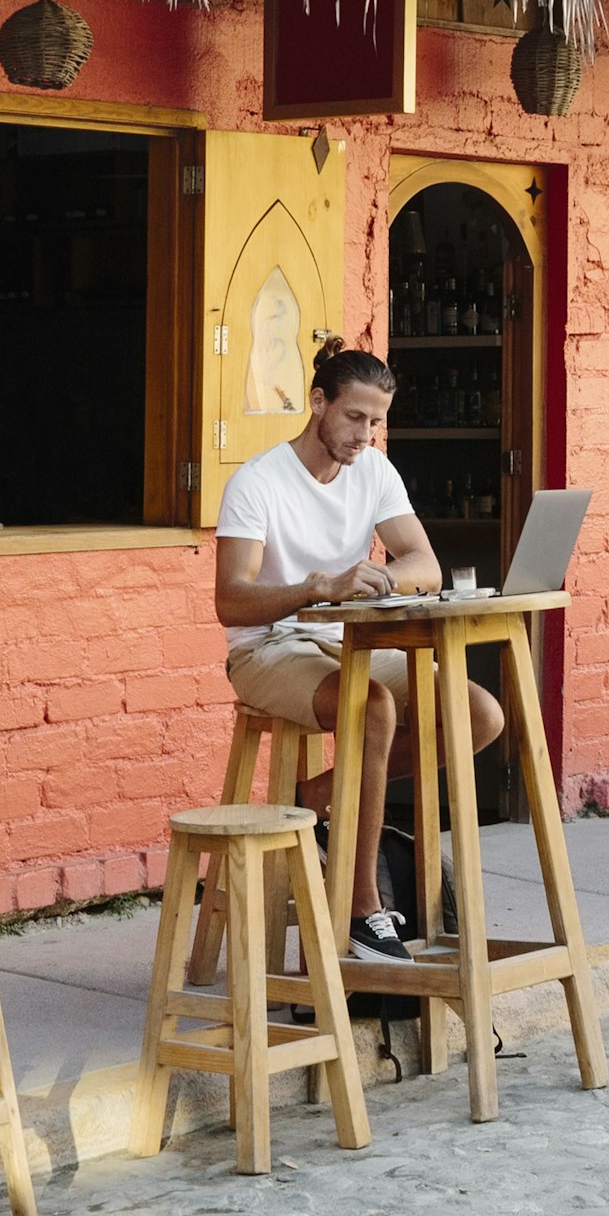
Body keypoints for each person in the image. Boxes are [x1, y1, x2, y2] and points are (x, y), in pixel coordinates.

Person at [214, 345, 505, 961]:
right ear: (319, 403)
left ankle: (311, 803)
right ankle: (362, 908)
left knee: (477, 713)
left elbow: (423, 564)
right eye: (354, 418)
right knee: (372, 706)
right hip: (271, 647)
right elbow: (231, 602)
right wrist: (318, 587)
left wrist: (381, 579)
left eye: (377, 423)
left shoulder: (374, 471)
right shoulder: (258, 481)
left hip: (350, 642)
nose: (365, 436)